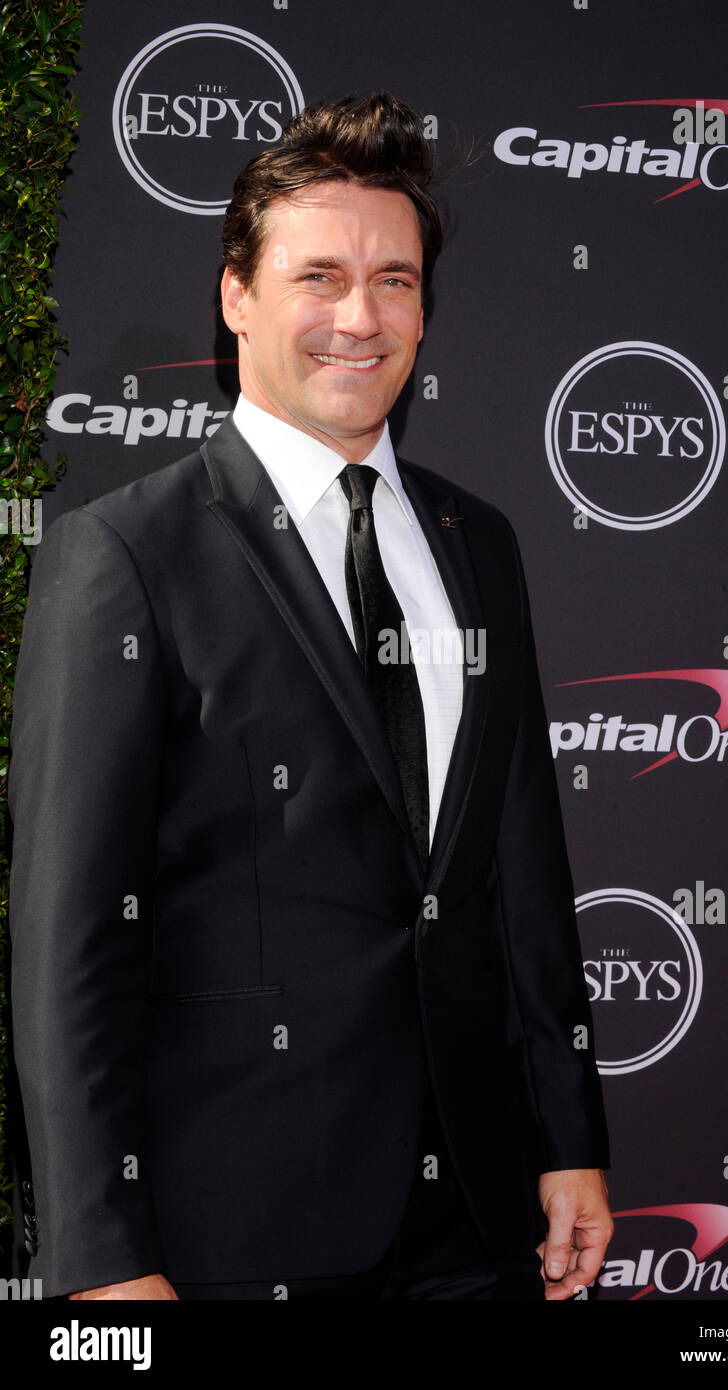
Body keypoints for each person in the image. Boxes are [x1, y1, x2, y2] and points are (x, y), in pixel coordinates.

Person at [8, 92, 611, 1301]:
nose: (359, 315)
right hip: (230, 1231)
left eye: (394, 279)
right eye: (318, 275)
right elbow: (68, 937)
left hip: (483, 1219)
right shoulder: (123, 554)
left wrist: (570, 1134)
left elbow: (522, 866)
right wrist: (103, 1259)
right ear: (236, 297)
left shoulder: (477, 541)